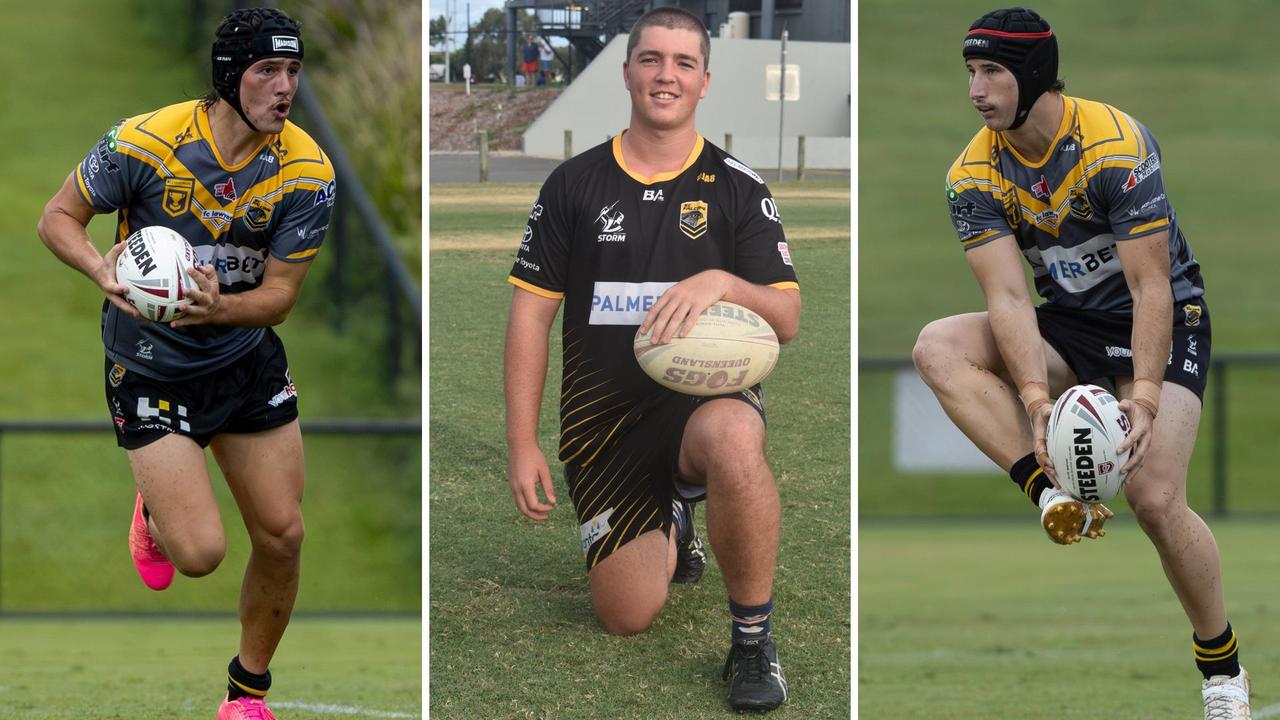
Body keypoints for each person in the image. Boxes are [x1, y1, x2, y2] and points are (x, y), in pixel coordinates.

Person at [913, 7, 1249, 719]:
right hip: (1067, 326)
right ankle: (1052, 496)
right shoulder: (972, 174)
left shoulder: (1115, 146)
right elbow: (1006, 294)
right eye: (970, 72)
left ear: (1033, 75)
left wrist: (1147, 398)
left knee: (1156, 500)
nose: (975, 89)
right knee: (936, 346)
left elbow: (1149, 286)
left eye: (992, 72)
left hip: (1162, 317)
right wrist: (1035, 398)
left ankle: (1222, 672)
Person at [36, 7, 334, 719]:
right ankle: (157, 513)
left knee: (284, 534)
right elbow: (57, 218)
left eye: (293, 72)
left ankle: (246, 694)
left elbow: (280, 298)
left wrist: (216, 309)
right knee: (199, 554)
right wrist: (99, 272)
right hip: (148, 365)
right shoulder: (143, 142)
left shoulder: (308, 172)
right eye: (268, 70)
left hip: (243, 361)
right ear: (230, 77)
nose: (284, 87)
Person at [504, 7, 800, 712]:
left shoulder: (738, 187)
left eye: (683, 63)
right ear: (627, 69)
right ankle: (672, 514)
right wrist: (522, 443)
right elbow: (531, 315)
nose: (666, 74)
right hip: (605, 422)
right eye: (652, 59)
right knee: (627, 615)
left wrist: (722, 281)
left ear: (704, 81)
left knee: (734, 437)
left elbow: (786, 319)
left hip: (704, 404)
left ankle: (753, 641)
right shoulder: (573, 185)